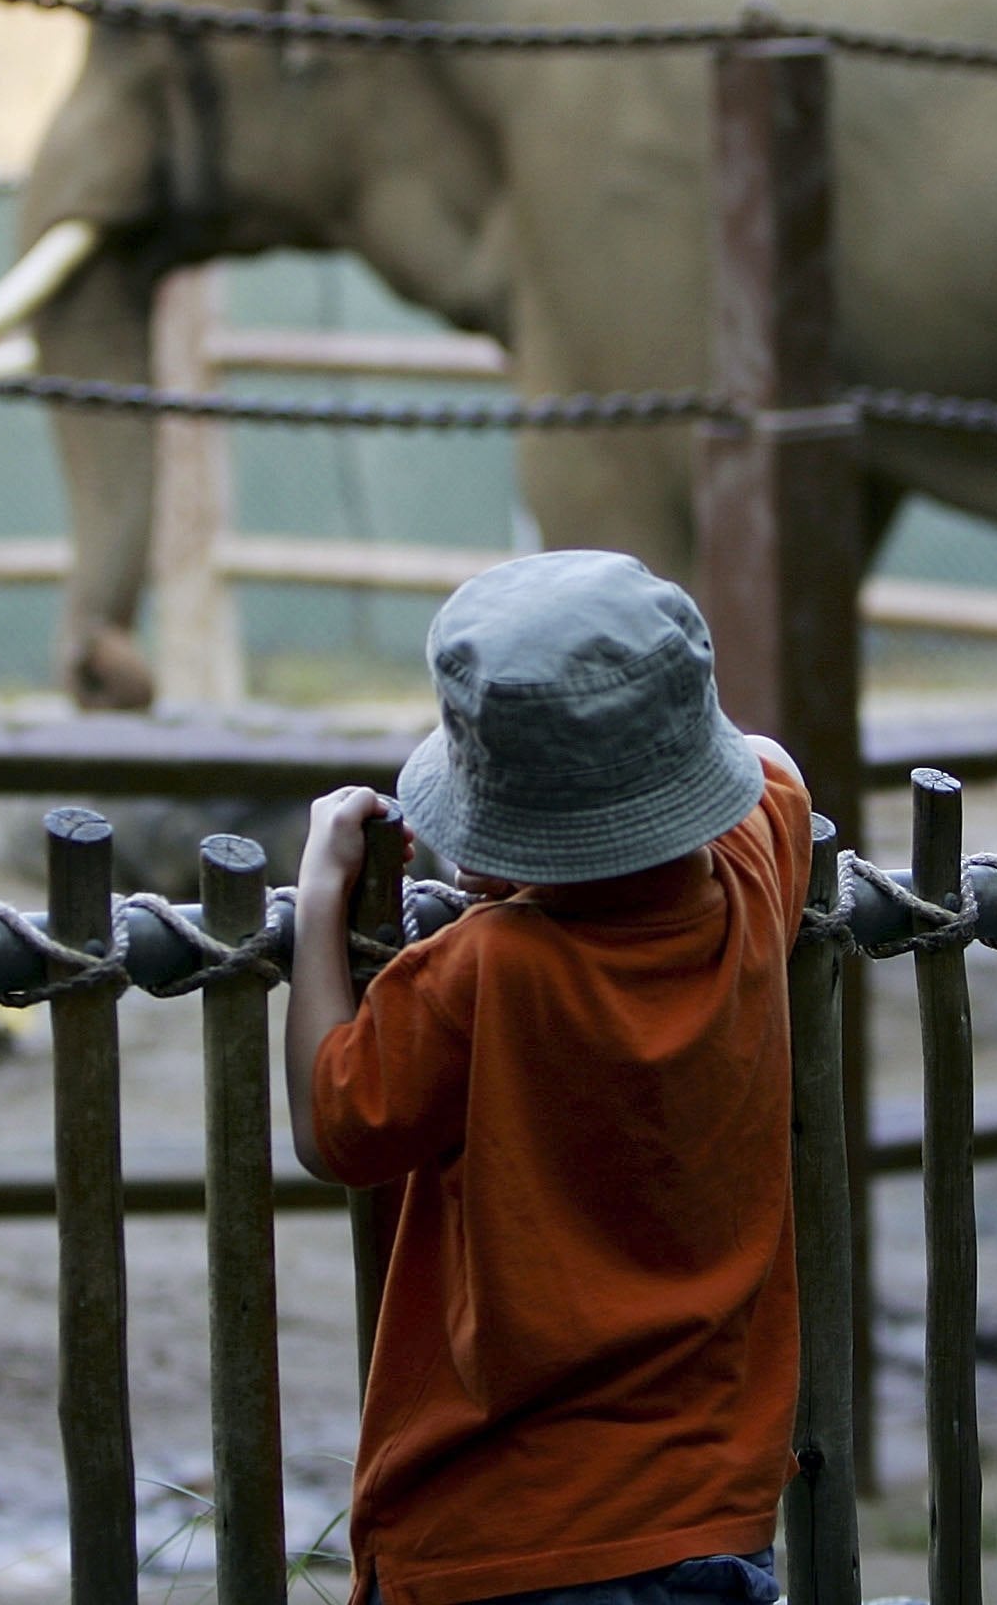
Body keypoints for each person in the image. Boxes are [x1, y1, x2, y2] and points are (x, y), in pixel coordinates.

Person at [284, 550, 813, 1605]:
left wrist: (316, 893)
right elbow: (771, 765)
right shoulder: (752, 883)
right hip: (709, 1523)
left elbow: (333, 1124)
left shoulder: (482, 968)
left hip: (500, 1532)